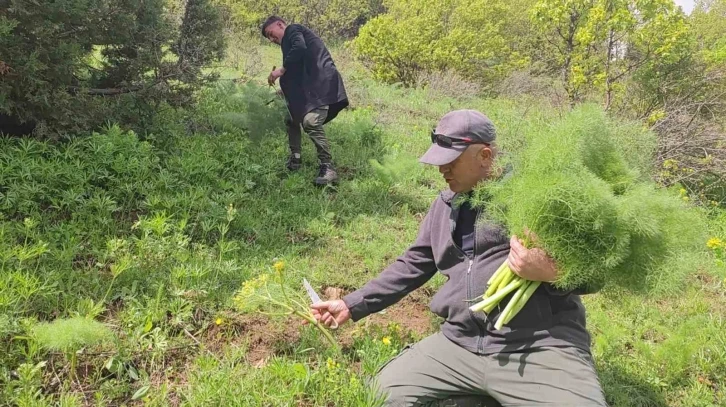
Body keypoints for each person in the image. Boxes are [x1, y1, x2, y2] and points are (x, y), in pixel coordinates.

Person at [310, 110, 608, 406]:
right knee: (376, 397)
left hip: (536, 347)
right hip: (460, 344)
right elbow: (414, 263)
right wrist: (351, 304)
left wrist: (552, 271)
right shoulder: (445, 204)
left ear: (485, 156)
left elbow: (596, 274)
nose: (442, 170)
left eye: (451, 161)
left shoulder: (541, 202)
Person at [261, 16, 349, 186]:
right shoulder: (290, 43)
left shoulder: (293, 30)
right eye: (269, 38)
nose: (272, 40)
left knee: (311, 122)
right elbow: (297, 69)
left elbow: (299, 49)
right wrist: (283, 89)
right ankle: (295, 160)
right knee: (290, 118)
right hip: (311, 87)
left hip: (322, 84)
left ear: (280, 25)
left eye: (271, 34)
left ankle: (328, 167)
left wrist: (281, 70)